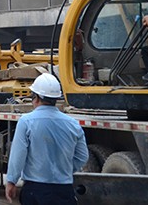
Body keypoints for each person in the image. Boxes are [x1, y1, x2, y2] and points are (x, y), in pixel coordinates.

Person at [5, 73, 88, 205]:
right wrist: (65, 169)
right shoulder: (73, 124)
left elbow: (18, 156)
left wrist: (11, 181)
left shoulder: (26, 122)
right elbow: (83, 156)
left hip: (35, 190)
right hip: (64, 190)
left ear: (36, 97)